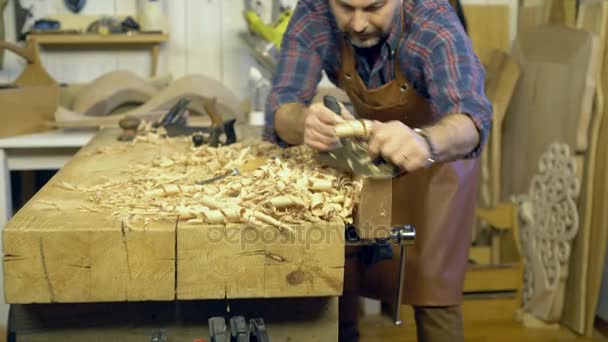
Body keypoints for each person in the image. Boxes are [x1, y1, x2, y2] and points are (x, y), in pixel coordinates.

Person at [263, 0, 492, 341]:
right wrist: (302, 121)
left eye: (373, 8)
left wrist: (425, 143)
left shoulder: (432, 23)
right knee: (340, 274)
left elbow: (472, 121)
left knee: (433, 288)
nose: (357, 24)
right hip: (369, 158)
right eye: (345, 7)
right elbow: (282, 104)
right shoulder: (314, 12)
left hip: (436, 158)